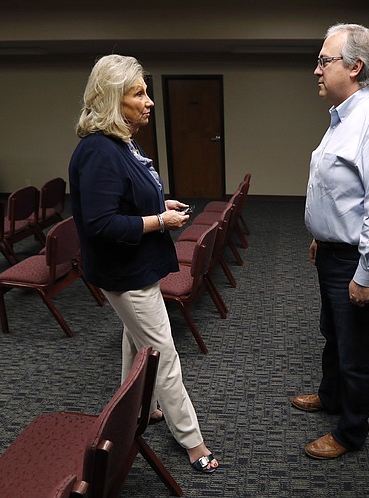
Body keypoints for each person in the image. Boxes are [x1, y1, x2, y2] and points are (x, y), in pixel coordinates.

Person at [68, 54, 219, 473]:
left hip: (136, 267)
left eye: (146, 91)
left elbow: (124, 198)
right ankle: (193, 443)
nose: (149, 101)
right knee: (163, 353)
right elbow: (100, 224)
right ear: (114, 99)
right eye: (139, 93)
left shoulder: (121, 142)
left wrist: (159, 203)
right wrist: (160, 221)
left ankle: (140, 408)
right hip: (125, 273)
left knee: (137, 340)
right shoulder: (99, 150)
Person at [291, 23, 369, 460]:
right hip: (332, 252)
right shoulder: (343, 118)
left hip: (358, 261)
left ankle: (350, 433)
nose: (317, 70)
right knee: (333, 334)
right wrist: (320, 238)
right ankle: (330, 396)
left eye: (324, 61)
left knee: (357, 350)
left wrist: (366, 274)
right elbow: (339, 192)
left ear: (355, 66)